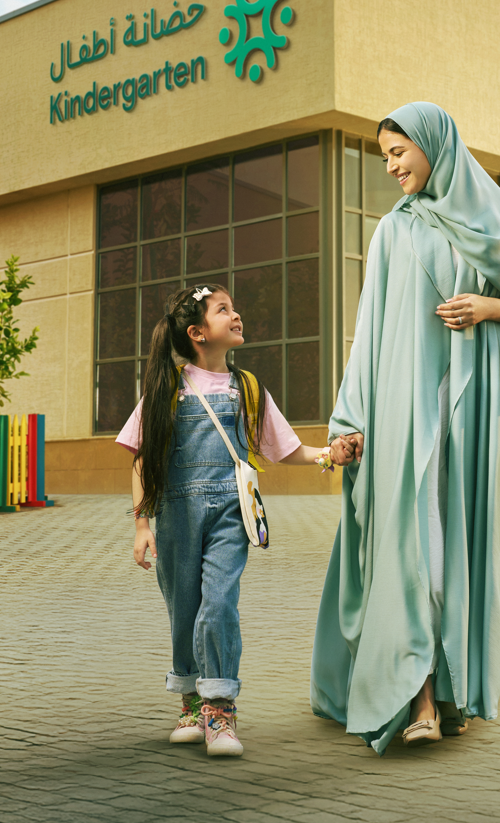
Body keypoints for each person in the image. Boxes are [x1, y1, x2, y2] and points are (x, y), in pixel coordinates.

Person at [311, 102, 500, 754]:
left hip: (477, 417)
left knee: (456, 550)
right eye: (384, 157)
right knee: (416, 553)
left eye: (399, 151)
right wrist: (351, 420)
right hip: (406, 416)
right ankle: (420, 697)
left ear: (436, 144)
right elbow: (369, 335)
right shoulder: (391, 232)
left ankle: (448, 690)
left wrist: (492, 307)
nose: (392, 166)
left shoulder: (494, 220)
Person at [119, 283, 322, 757]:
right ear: (197, 333)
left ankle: (220, 708)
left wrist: (331, 454)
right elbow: (141, 458)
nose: (237, 315)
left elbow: (286, 449)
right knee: (184, 610)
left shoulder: (247, 388)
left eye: (234, 307)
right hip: (175, 518)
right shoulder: (166, 389)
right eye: (223, 309)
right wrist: (141, 525)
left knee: (219, 604)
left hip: (232, 514)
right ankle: (191, 703)